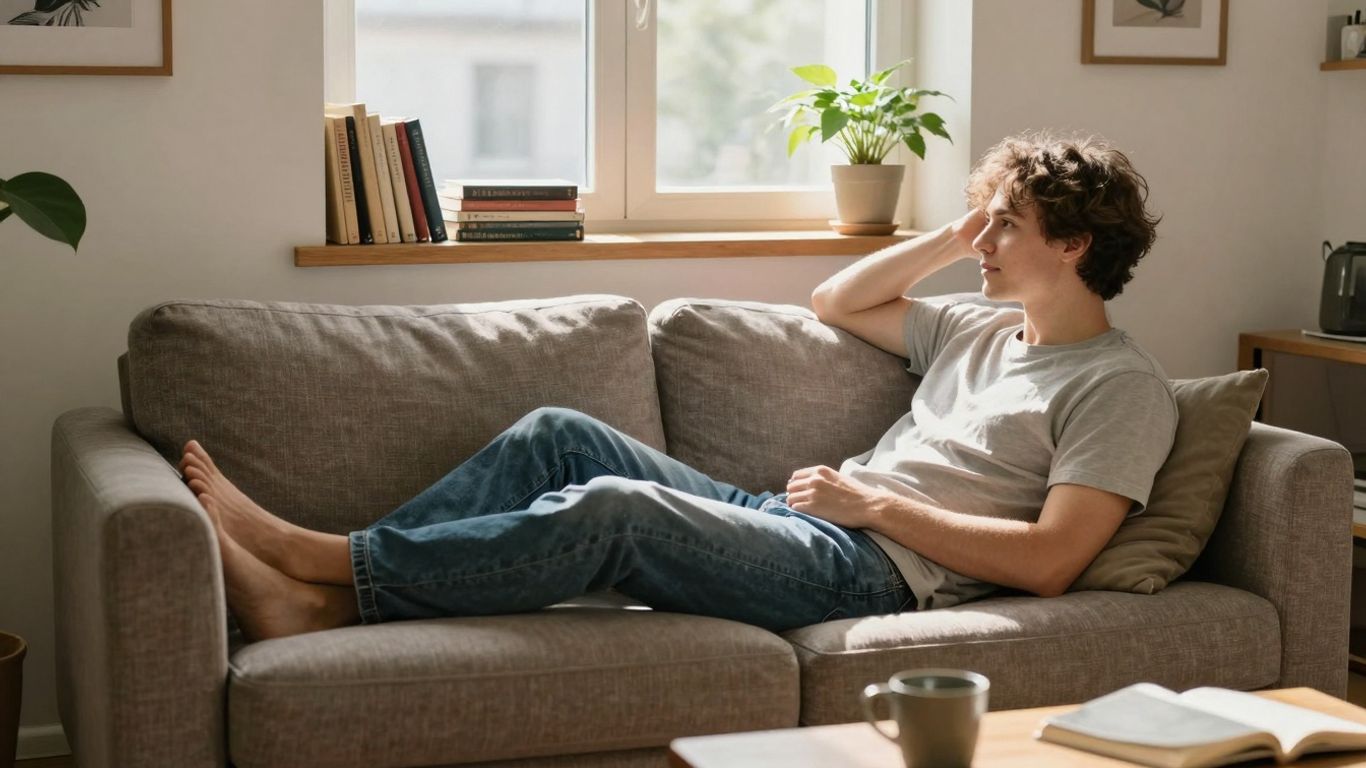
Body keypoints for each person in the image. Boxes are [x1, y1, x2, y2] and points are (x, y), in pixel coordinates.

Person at [183, 131, 1177, 642]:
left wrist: (872, 503)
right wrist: (955, 232)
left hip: (869, 574)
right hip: (807, 523)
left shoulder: (1117, 386)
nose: (985, 243)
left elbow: (1051, 562)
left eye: (1005, 225)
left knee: (614, 510)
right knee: (557, 435)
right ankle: (338, 602)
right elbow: (836, 299)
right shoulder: (974, 325)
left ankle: (325, 572)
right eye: (985, 221)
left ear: (1076, 244)